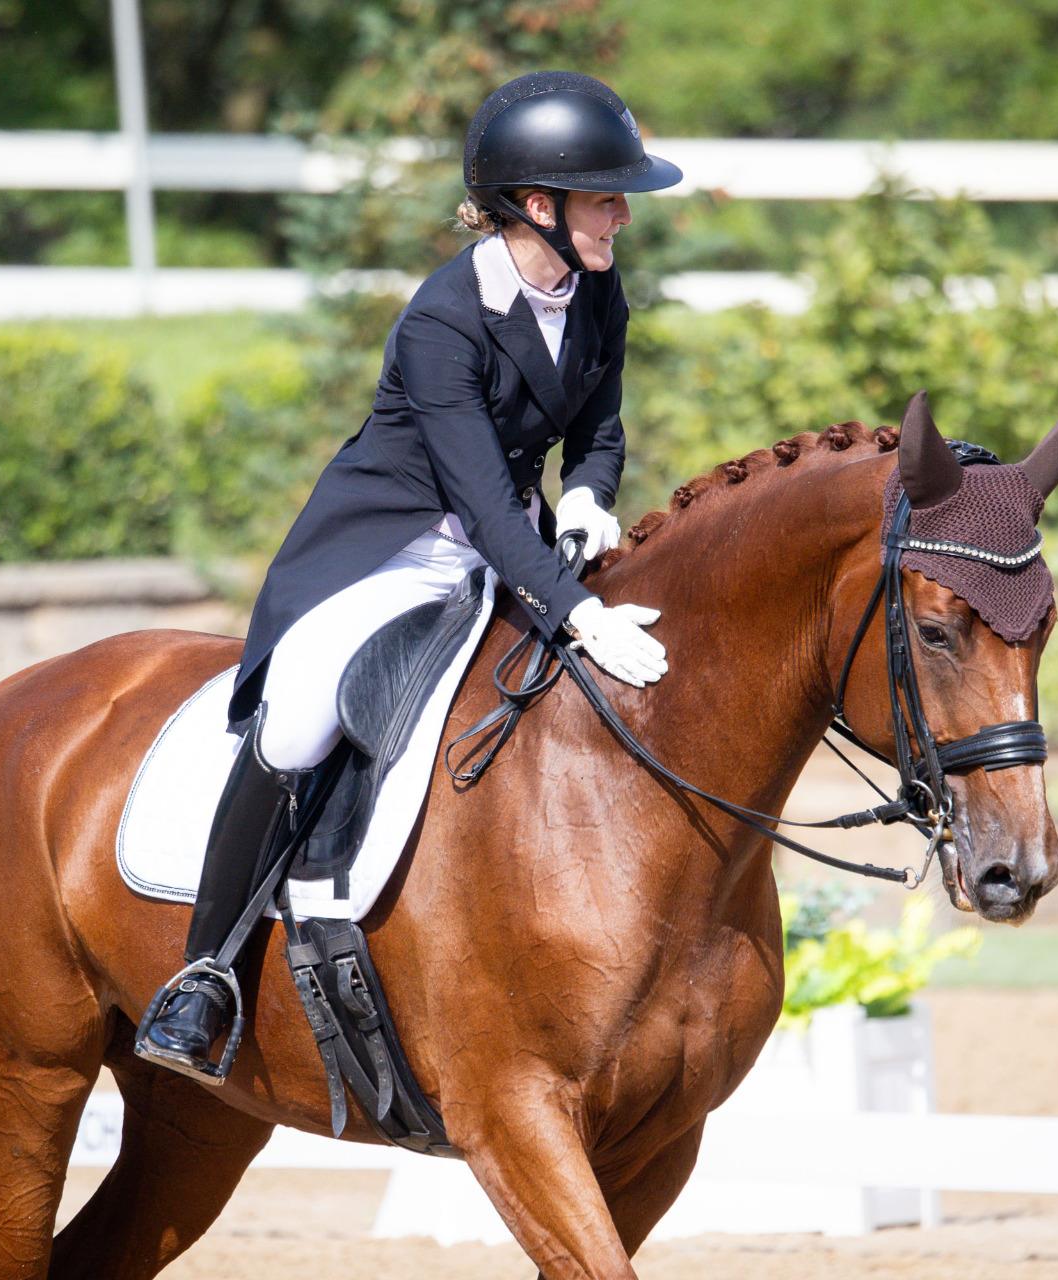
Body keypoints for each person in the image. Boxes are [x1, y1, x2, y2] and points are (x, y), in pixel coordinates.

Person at [138, 70, 681, 1081]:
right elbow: (476, 500)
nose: (622, 215)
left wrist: (586, 495)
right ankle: (203, 974)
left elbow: (599, 428)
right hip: (391, 553)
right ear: (538, 206)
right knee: (301, 717)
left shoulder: (597, 287)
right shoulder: (443, 321)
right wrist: (577, 610)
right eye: (606, 197)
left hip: (507, 543)